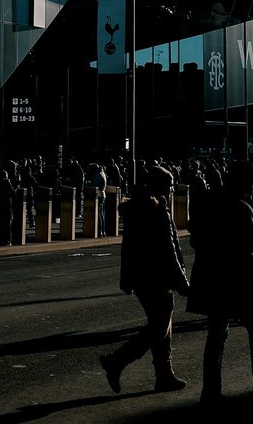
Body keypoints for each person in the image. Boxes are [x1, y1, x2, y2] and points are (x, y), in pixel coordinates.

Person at [187, 161, 253, 401]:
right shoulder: (242, 208)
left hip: (213, 279)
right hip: (240, 282)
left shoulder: (208, 204)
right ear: (248, 183)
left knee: (216, 335)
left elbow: (196, 240)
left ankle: (211, 390)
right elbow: (250, 251)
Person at [99, 165, 189, 396]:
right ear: (159, 187)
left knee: (163, 324)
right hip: (155, 275)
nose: (171, 191)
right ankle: (117, 361)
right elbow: (169, 249)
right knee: (159, 325)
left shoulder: (139, 207)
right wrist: (182, 282)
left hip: (140, 275)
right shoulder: (156, 209)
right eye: (169, 186)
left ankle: (164, 375)